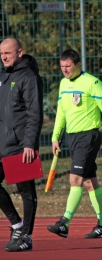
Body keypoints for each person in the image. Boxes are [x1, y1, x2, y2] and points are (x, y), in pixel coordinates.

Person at [47, 49, 102, 239]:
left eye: (68, 66)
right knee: (89, 181)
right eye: (62, 67)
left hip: (88, 137)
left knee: (74, 179)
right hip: (73, 138)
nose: (65, 70)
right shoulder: (63, 83)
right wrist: (55, 137)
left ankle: (64, 222)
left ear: (78, 65)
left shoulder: (92, 83)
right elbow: (61, 112)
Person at [0, 38, 43, 252]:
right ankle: (17, 225)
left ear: (20, 52)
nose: (4, 57)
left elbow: (34, 113)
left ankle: (26, 236)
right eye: (1, 54)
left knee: (26, 191)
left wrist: (29, 143)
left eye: (8, 53)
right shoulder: (4, 77)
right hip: (2, 143)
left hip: (20, 145)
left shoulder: (29, 77)